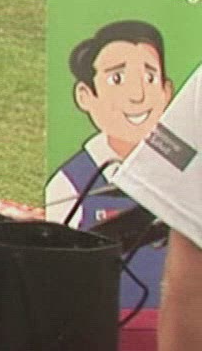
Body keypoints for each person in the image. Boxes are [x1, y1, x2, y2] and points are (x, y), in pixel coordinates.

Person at [45, 19, 173, 307]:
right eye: (117, 79)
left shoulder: (184, 173)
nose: (138, 96)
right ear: (85, 95)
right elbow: (56, 271)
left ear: (166, 91)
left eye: (149, 77)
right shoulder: (71, 182)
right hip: (99, 319)